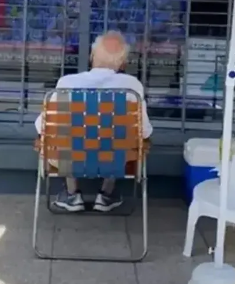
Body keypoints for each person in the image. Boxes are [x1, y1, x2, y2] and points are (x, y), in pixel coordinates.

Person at [34, 30, 153, 213]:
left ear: (92, 56)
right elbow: (144, 131)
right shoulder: (132, 87)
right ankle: (105, 195)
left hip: (70, 158)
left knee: (62, 137)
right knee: (123, 141)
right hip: (116, 159)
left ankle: (72, 194)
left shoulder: (67, 83)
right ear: (122, 62)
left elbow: (41, 126)